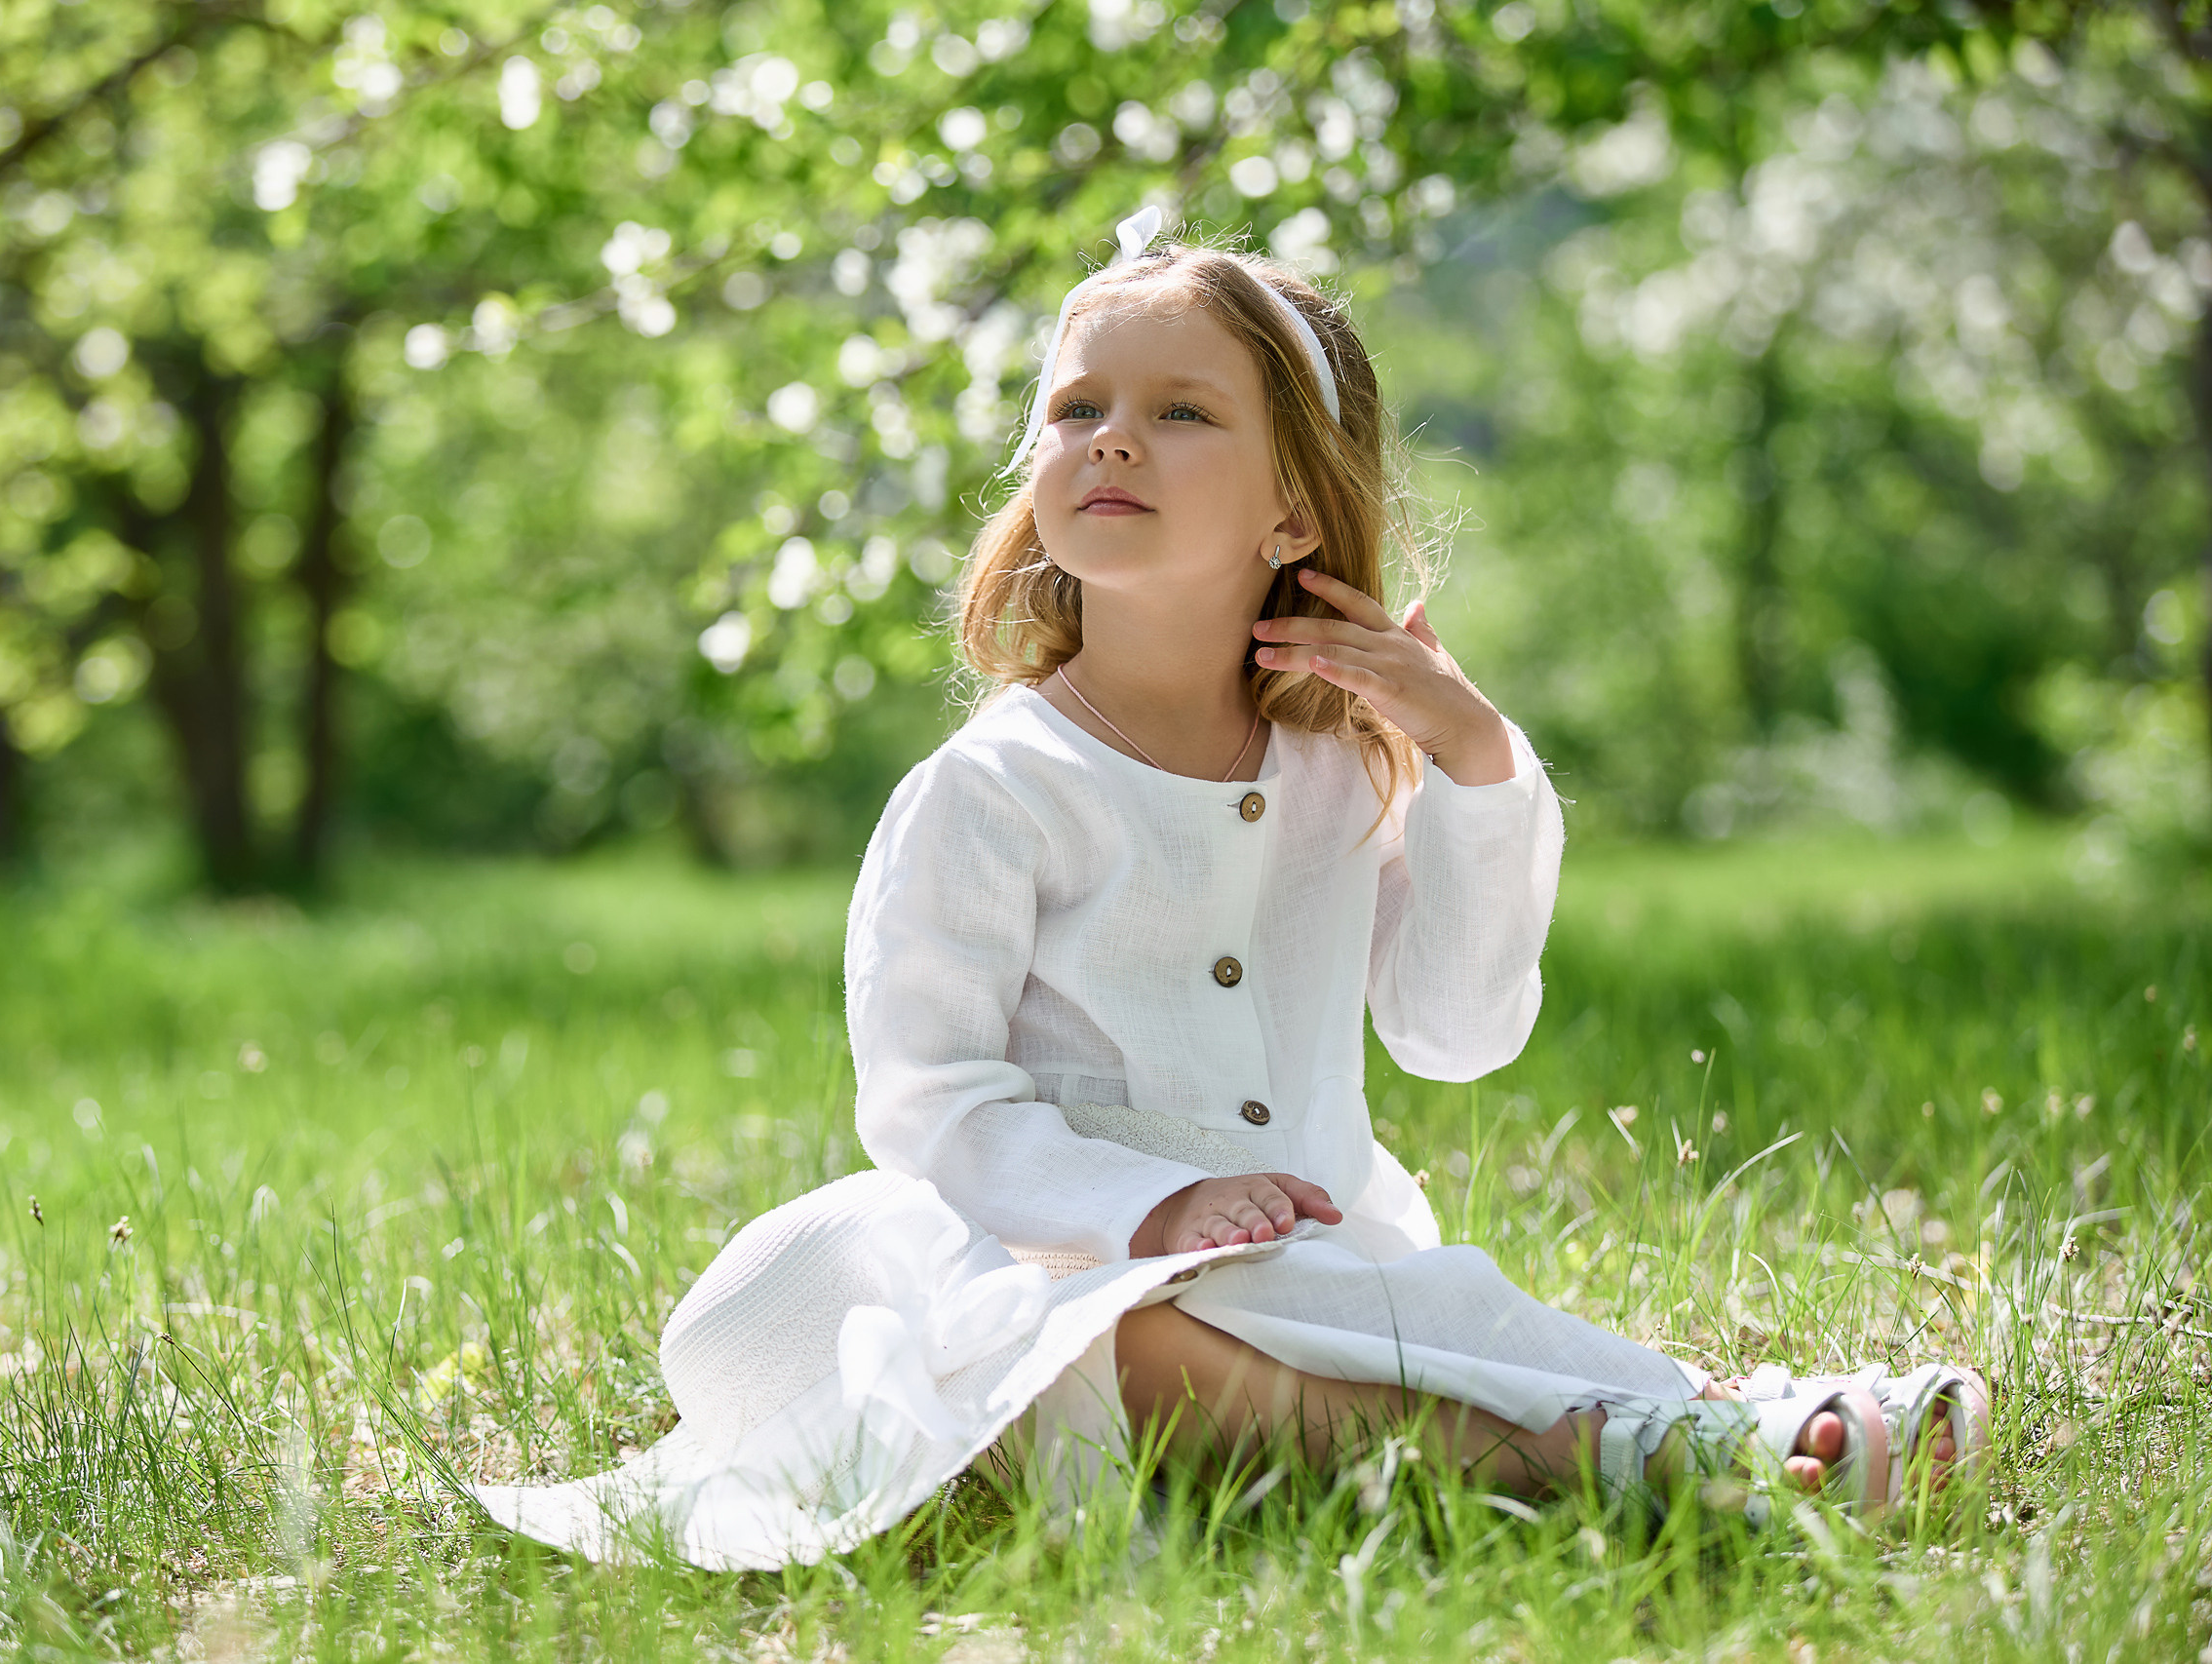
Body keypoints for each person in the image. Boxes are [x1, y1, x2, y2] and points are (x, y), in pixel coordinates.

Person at [474, 213, 1985, 1571]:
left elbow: (1457, 1033)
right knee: (1127, 1357)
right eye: (1077, 409)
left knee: (1406, 1334)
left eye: (1180, 412)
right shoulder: (994, 791)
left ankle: (1706, 1429)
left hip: (1314, 1261)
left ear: (1294, 517)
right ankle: (1632, 1461)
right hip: (1055, 1264)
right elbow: (932, 1100)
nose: (1111, 442)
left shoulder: (1348, 773)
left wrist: (1473, 762)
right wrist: (1151, 1206)